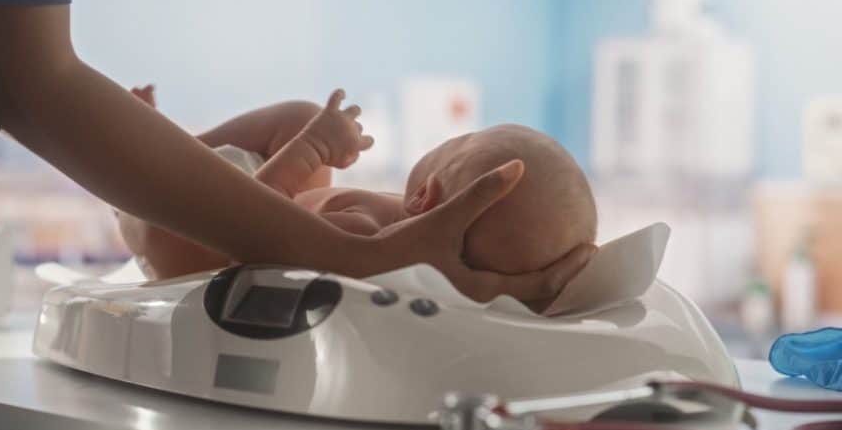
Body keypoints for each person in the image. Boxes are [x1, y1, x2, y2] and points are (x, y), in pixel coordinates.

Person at [0, 0, 594, 430]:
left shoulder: (377, 239)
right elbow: (28, 75)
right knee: (287, 122)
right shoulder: (375, 233)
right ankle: (168, 157)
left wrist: (327, 220)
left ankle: (162, 162)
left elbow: (26, 75)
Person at [119, 87, 598, 310]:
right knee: (299, 115)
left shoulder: (363, 234)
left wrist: (310, 149)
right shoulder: (394, 229)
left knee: (301, 119)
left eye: (458, 143)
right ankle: (173, 147)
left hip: (185, 236)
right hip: (258, 200)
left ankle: (153, 148)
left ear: (426, 197)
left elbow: (245, 226)